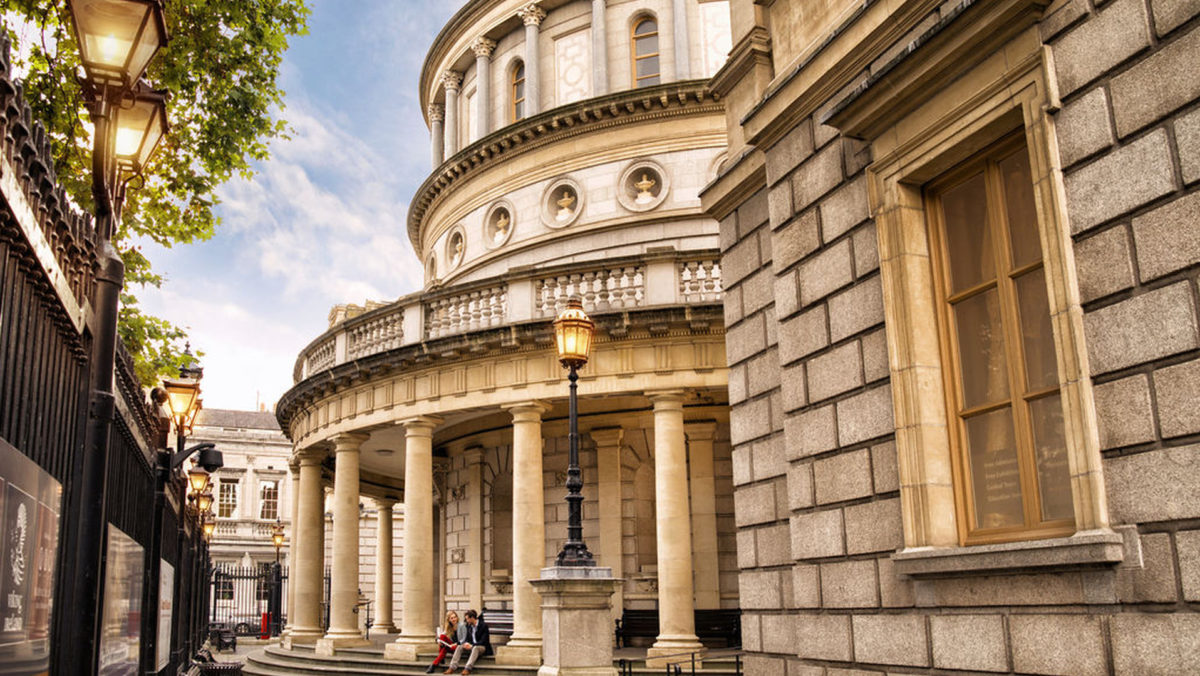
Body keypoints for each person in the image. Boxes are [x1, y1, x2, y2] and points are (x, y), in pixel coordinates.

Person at [443, 608, 490, 675]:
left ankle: (467, 668)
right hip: (472, 646)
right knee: (459, 647)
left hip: (482, 647)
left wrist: (472, 645)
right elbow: (468, 638)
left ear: (472, 618)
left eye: (467, 619)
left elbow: (484, 641)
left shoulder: (483, 626)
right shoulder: (469, 626)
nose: (466, 621)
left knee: (475, 648)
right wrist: (467, 644)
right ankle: (452, 667)